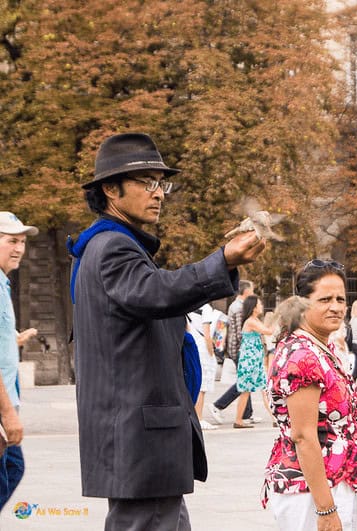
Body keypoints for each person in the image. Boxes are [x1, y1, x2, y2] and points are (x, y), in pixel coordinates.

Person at [69, 133, 265, 529]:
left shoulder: (111, 245)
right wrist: (222, 261)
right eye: (146, 182)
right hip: (141, 442)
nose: (158, 193)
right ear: (110, 189)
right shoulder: (112, 247)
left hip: (141, 444)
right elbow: (158, 292)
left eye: (161, 183)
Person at [264, 261, 357, 530]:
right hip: (311, 490)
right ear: (302, 305)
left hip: (328, 482)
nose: (336, 307)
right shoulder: (303, 355)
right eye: (325, 299)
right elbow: (303, 436)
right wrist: (326, 509)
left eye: (341, 299)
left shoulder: (320, 347)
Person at [0, 211, 38, 511]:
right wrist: (8, 414)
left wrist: (13, 341)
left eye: (22, 242)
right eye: (11, 241)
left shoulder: (3, 283)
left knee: (13, 467)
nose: (19, 249)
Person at [210, 280, 260, 425]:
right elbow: (240, 333)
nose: (253, 293)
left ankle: (246, 414)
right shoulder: (239, 308)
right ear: (246, 291)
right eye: (252, 290)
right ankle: (218, 405)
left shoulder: (237, 306)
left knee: (246, 381)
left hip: (238, 348)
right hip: (240, 349)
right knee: (244, 382)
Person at [233, 296, 270, 429]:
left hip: (254, 360)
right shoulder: (250, 322)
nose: (261, 306)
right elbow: (268, 331)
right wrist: (277, 318)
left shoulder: (255, 320)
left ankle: (274, 418)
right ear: (254, 307)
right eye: (259, 304)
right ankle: (238, 420)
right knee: (247, 391)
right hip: (249, 360)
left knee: (260, 389)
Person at [187, 303, 219, 431]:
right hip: (203, 348)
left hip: (191, 345)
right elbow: (207, 333)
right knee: (202, 384)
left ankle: (194, 416)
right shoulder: (206, 308)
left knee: (194, 381)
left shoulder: (189, 306)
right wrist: (211, 351)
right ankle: (199, 417)